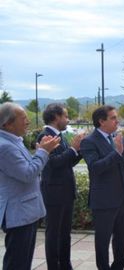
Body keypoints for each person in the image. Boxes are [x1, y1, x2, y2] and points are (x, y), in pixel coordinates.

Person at [0, 102, 60, 270]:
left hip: (25, 212)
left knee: (23, 261)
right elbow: (27, 174)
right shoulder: (5, 147)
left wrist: (40, 152)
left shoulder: (14, 141)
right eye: (23, 118)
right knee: (17, 263)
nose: (27, 122)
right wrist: (43, 152)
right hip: (18, 214)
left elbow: (26, 168)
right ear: (8, 124)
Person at [80, 105, 124, 270]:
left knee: (122, 241)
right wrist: (117, 152)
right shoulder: (89, 142)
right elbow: (95, 168)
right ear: (101, 121)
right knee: (102, 242)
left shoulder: (118, 137)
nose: (117, 120)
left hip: (123, 199)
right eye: (113, 118)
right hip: (103, 201)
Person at [38, 103, 85, 270]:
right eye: (65, 116)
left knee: (65, 234)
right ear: (56, 117)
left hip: (65, 192)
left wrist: (78, 150)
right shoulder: (45, 136)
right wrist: (73, 148)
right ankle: (54, 266)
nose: (67, 119)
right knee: (54, 234)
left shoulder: (59, 135)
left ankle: (65, 265)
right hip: (54, 194)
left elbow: (67, 163)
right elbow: (54, 163)